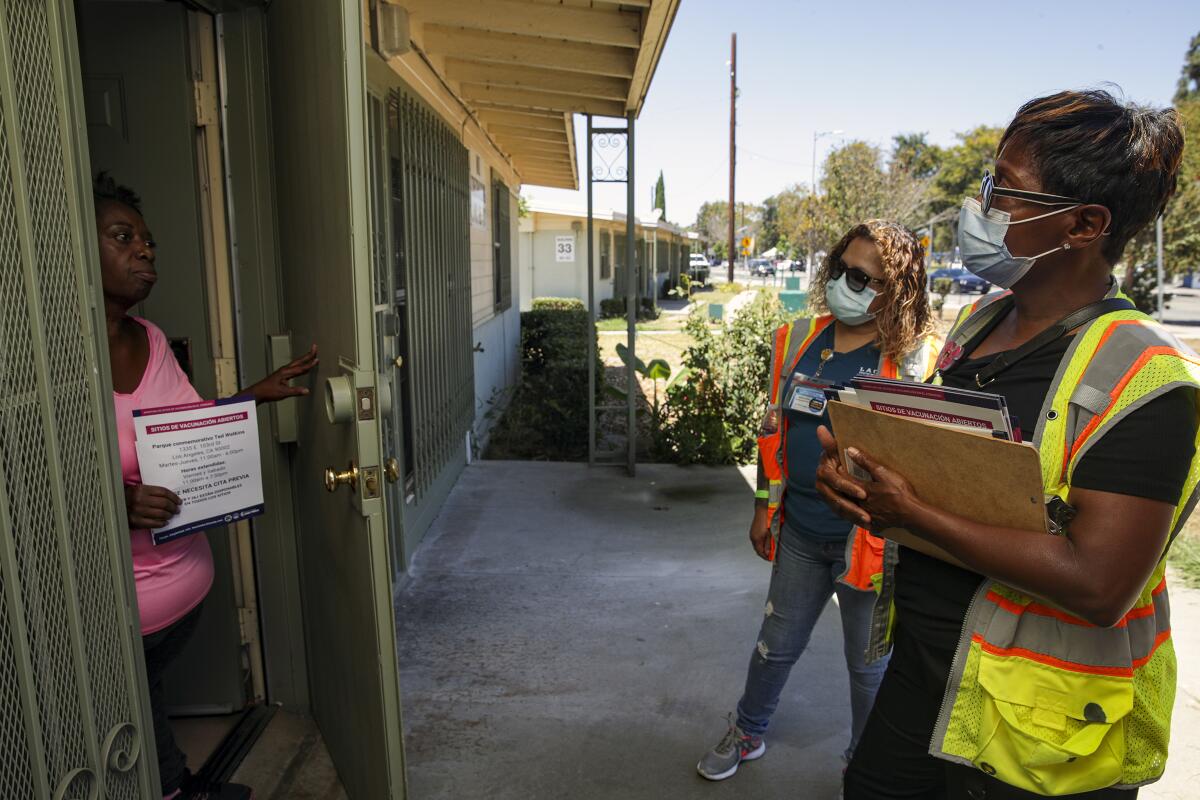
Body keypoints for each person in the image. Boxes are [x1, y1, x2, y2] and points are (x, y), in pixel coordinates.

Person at [816, 89, 1198, 799]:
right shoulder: (979, 324)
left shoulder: (1145, 378)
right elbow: (931, 468)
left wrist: (914, 515)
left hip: (1042, 732)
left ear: (1083, 224)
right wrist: (859, 477)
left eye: (1007, 190)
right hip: (926, 677)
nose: (981, 205)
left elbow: (1100, 586)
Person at [96, 173, 319, 800]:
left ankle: (177, 788)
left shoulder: (152, 338)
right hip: (116, 605)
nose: (145, 250)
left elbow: (184, 431)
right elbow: (40, 483)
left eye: (148, 240)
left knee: (141, 703)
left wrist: (255, 393)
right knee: (118, 720)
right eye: (123, 237)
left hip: (184, 582)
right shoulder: (53, 364)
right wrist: (116, 503)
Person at [697, 220, 937, 782]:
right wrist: (764, 503)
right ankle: (748, 730)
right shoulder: (798, 337)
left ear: (896, 290)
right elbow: (772, 429)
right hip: (801, 531)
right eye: (839, 269)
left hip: (869, 544)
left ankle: (866, 767)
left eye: (862, 277)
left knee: (867, 667)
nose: (843, 283)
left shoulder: (911, 361)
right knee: (774, 644)